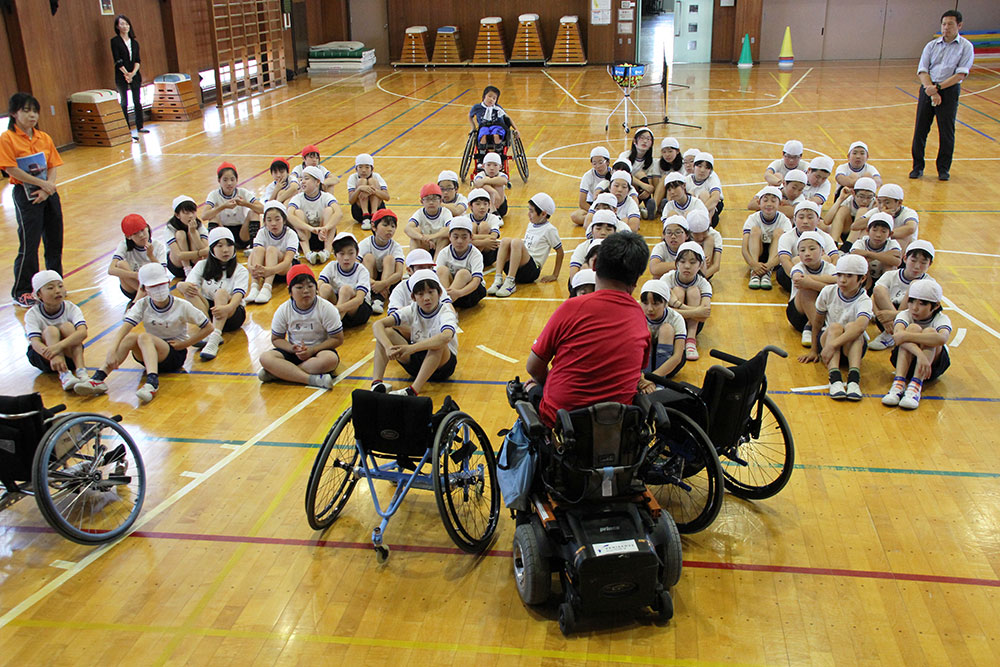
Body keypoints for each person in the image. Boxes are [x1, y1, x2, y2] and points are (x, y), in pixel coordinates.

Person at [524, 231, 653, 427]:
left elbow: (533, 366)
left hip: (564, 422)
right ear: (636, 280)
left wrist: (543, 383)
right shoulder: (639, 317)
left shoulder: (572, 308)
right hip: (615, 426)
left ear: (594, 267)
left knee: (527, 387)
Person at [75, 264, 213, 404]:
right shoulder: (142, 304)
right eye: (153, 286)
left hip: (174, 354)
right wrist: (111, 351)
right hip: (149, 353)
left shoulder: (182, 305)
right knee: (131, 338)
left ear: (168, 283)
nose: (158, 289)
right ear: (143, 289)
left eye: (161, 284)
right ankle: (99, 377)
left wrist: (185, 344)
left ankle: (152, 383)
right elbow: (124, 329)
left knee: (144, 336)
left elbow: (208, 327)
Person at [0, 93, 64, 308]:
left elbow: (53, 163)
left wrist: (48, 187)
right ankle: (22, 290)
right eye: (26, 110)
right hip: (25, 195)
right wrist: (41, 185)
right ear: (14, 113)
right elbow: (11, 168)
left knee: (54, 240)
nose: (32, 115)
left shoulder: (43, 137)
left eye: (34, 111)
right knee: (29, 243)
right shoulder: (7, 138)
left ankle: (55, 284)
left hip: (48, 193)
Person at [371, 269, 459, 396]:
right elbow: (377, 324)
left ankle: (413, 390)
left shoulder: (445, 311)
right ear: (413, 297)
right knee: (386, 333)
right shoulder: (412, 309)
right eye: (421, 294)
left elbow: (445, 337)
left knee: (437, 344)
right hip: (417, 361)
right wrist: (388, 347)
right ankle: (376, 383)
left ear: (439, 293)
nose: (427, 298)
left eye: (430, 292)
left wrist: (411, 348)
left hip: (442, 366)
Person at [910, 10, 974, 181]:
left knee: (946, 132)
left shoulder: (966, 47)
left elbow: (960, 74)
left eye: (950, 24)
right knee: (920, 130)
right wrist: (930, 89)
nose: (946, 28)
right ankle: (917, 167)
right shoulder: (931, 46)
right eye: (944, 24)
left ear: (959, 26)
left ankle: (943, 169)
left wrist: (938, 89)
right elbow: (923, 69)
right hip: (928, 88)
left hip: (949, 90)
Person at [798, 254, 873, 401]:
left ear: (862, 278)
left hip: (849, 348)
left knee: (853, 328)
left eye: (849, 276)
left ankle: (853, 379)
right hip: (828, 344)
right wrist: (814, 350)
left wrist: (832, 345)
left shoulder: (864, 300)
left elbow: (860, 327)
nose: (842, 280)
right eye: (839, 275)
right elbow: (817, 323)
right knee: (834, 328)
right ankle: (835, 377)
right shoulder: (828, 292)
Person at [259, 265, 343, 389]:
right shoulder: (283, 310)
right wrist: (293, 349)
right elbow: (276, 339)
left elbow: (338, 339)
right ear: (290, 291)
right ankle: (310, 379)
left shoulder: (326, 308)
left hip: (319, 351)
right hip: (294, 352)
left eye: (310, 286)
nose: (306, 291)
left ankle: (279, 373)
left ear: (316, 288)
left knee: (330, 359)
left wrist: (313, 350)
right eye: (299, 287)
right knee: (265, 358)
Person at [176, 227, 249, 361]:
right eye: (219, 246)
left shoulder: (240, 270)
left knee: (221, 293)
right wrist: (181, 285)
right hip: (209, 312)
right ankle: (208, 328)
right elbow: (188, 285)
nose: (225, 250)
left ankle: (214, 339)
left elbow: (238, 297)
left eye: (229, 245)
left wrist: (227, 308)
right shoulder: (202, 265)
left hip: (232, 312)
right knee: (190, 290)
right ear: (212, 249)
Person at [881, 280, 952, 410]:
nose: (914, 307)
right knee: (913, 327)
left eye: (922, 303)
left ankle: (915, 387)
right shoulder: (905, 314)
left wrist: (906, 336)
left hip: (930, 367)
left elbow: (942, 339)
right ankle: (898, 383)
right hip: (911, 360)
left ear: (935, 306)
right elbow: (897, 337)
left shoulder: (942, 318)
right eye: (912, 301)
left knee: (931, 333)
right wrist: (920, 355)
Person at [23, 270, 89, 391]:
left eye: (60, 286)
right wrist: (53, 356)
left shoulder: (71, 307)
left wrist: (58, 347)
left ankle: (82, 372)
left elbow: (83, 332)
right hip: (44, 358)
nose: (57, 291)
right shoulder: (32, 314)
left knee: (68, 327)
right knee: (51, 331)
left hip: (69, 356)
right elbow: (35, 342)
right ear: (39, 294)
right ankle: (64, 374)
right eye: (50, 288)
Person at [488, 193, 563, 298]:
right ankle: (498, 279)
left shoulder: (550, 230)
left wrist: (555, 275)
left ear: (543, 214)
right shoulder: (530, 225)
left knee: (517, 242)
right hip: (519, 268)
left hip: (531, 271)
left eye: (531, 211)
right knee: (505, 241)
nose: (528, 214)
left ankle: (510, 282)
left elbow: (560, 251)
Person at [869, 240, 937, 351]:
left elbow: (926, 312)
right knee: (878, 289)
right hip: (887, 322)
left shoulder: (930, 283)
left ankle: (892, 334)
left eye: (923, 263)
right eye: (913, 261)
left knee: (914, 285)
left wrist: (893, 315)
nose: (917, 266)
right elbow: (873, 297)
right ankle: (890, 332)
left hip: (912, 321)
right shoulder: (890, 275)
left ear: (930, 264)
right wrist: (881, 317)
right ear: (905, 258)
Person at [660, 241, 713, 361]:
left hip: (693, 324)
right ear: (676, 263)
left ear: (700, 265)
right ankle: (677, 336)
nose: (687, 266)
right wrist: (695, 311)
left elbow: (704, 315)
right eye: (682, 262)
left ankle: (690, 340)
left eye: (693, 262)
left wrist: (677, 305)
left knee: (693, 291)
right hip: (671, 322)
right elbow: (662, 311)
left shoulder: (703, 283)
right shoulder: (667, 278)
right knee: (678, 291)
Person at [786, 232, 836, 348]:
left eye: (812, 249)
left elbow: (837, 282)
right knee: (806, 289)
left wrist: (810, 280)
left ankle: (811, 326)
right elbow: (798, 279)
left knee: (830, 290)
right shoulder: (798, 267)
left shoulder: (830, 268)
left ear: (822, 251)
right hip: (798, 314)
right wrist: (822, 283)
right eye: (802, 250)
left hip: (824, 314)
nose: (807, 254)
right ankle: (816, 331)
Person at [247, 201, 299, 304]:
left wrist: (269, 270)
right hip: (265, 270)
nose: (273, 223)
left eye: (277, 219)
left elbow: (287, 262)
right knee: (259, 249)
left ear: (284, 220)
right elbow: (254, 253)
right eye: (269, 220)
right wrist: (250, 267)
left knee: (271, 249)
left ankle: (267, 287)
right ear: (265, 221)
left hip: (284, 270)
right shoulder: (262, 232)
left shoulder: (291, 234)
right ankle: (255, 287)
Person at [202, 162, 262, 250]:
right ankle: (213, 248)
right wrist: (223, 206)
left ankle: (254, 247)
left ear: (237, 180)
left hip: (242, 233)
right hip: (224, 233)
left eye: (232, 179)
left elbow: (263, 209)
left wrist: (246, 204)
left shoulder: (243, 192)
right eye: (225, 180)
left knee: (253, 212)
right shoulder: (214, 194)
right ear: (219, 181)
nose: (229, 183)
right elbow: (204, 216)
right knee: (213, 216)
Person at [288, 165, 341, 263]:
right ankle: (308, 253)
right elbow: (289, 215)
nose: (302, 181)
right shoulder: (298, 198)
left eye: (306, 179)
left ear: (317, 182)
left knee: (329, 211)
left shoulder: (326, 197)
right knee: (297, 213)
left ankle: (327, 252)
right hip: (306, 236)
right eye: (302, 179)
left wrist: (325, 228)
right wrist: (310, 228)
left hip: (324, 236)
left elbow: (339, 213)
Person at [318, 232, 373, 328]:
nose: (346, 258)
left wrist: (336, 309)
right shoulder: (331, 266)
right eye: (342, 254)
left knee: (346, 290)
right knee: (324, 288)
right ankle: (319, 319)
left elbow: (359, 299)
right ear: (335, 255)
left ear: (357, 253)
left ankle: (334, 326)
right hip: (338, 305)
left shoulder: (361, 270)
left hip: (357, 311)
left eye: (351, 253)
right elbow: (319, 284)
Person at [742, 186, 792, 290]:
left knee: (779, 232)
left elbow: (786, 250)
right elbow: (744, 248)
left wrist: (769, 266)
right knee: (755, 230)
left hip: (775, 259)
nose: (769, 204)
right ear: (758, 203)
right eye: (765, 200)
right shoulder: (752, 218)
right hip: (756, 255)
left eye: (773, 201)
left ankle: (767, 273)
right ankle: (755, 273)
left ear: (780, 204)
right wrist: (753, 264)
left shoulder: (784, 220)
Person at [111, 214, 167, 304]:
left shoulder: (158, 246)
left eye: (142, 230)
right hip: (132, 287)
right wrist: (136, 275)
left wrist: (151, 256)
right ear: (128, 237)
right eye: (135, 233)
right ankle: (142, 296)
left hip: (153, 287)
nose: (141, 235)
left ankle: (136, 302)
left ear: (147, 228)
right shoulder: (124, 245)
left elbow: (163, 272)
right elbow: (111, 270)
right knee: (120, 264)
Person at [358, 208, 405, 314]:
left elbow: (399, 273)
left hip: (389, 282)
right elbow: (355, 266)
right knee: (368, 257)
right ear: (374, 226)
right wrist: (374, 283)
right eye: (385, 225)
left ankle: (379, 299)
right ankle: (367, 295)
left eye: (393, 226)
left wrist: (383, 284)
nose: (390, 229)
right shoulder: (366, 243)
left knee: (389, 259)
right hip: (370, 280)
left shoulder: (395, 247)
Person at [639, 279, 687, 379]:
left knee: (667, 329)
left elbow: (677, 357)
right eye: (645, 303)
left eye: (655, 304)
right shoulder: (636, 315)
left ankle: (660, 382)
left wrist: (652, 378)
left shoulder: (676, 318)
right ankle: (645, 375)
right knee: (645, 330)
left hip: (669, 364)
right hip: (642, 364)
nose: (650, 309)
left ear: (665, 303)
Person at [436, 217, 486, 308]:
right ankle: (446, 303)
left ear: (471, 237)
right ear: (449, 237)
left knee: (463, 273)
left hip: (469, 293)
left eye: (464, 237)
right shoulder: (444, 252)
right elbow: (436, 278)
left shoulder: (475, 254)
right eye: (455, 237)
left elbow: (476, 281)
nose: (459, 241)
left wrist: (459, 293)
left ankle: (444, 305)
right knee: (441, 270)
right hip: (451, 292)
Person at [110, 15, 147, 138]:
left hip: (134, 74)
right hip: (121, 75)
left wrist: (133, 73)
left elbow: (137, 60)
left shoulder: (135, 43)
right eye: (121, 24)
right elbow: (117, 60)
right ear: (117, 26)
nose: (124, 26)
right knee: (124, 101)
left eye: (126, 24)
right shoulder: (115, 41)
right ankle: (126, 128)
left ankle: (139, 126)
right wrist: (126, 74)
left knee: (137, 100)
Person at [164, 195, 209, 279]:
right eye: (187, 213)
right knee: (180, 234)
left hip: (195, 262)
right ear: (177, 215)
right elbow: (178, 255)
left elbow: (204, 248)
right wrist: (199, 253)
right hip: (177, 266)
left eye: (193, 212)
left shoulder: (198, 224)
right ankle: (187, 270)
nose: (191, 216)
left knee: (191, 233)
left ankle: (196, 270)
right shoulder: (170, 227)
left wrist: (193, 233)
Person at [405, 183, 453, 254]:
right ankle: (414, 262)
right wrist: (423, 238)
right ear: (422, 202)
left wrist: (431, 236)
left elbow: (451, 228)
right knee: (415, 233)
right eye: (427, 199)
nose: (431, 202)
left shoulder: (445, 212)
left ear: (440, 201)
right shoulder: (420, 213)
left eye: (434, 199)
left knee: (444, 236)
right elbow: (407, 228)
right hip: (426, 244)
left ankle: (436, 263)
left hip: (440, 245)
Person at [346, 153, 389, 230]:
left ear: (372, 169)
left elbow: (387, 197)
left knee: (372, 181)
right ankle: (365, 217)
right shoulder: (353, 177)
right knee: (361, 181)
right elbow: (351, 200)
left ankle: (374, 215)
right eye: (360, 167)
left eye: (367, 167)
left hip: (378, 209)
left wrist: (373, 191)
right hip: (359, 212)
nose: (363, 170)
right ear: (356, 169)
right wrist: (360, 189)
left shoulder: (376, 176)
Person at [571, 147, 613, 226]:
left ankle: (599, 221)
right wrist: (596, 212)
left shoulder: (614, 173)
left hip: (611, 205)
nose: (597, 166)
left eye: (601, 162)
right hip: (593, 205)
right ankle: (606, 220)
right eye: (594, 163)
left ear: (608, 162)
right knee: (575, 216)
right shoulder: (588, 176)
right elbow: (582, 202)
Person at [686, 152, 724, 227]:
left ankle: (707, 223)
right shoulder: (687, 179)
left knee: (704, 194)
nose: (702, 170)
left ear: (710, 171)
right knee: (690, 194)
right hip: (692, 210)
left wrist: (700, 213)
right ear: (693, 167)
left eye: (707, 168)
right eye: (699, 166)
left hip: (711, 209)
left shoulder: (712, 179)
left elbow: (715, 198)